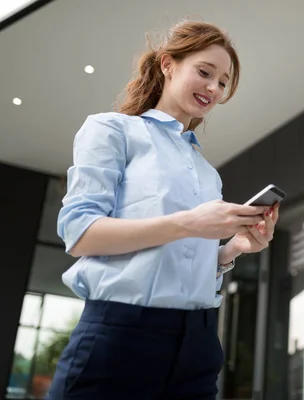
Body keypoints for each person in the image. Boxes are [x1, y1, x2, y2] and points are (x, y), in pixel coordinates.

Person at [47, 20, 278, 400]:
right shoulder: (113, 131)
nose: (213, 88)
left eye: (222, 82)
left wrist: (233, 250)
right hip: (121, 336)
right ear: (168, 64)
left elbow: (184, 262)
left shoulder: (207, 173)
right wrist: (190, 223)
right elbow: (81, 234)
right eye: (204, 72)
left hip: (199, 344)